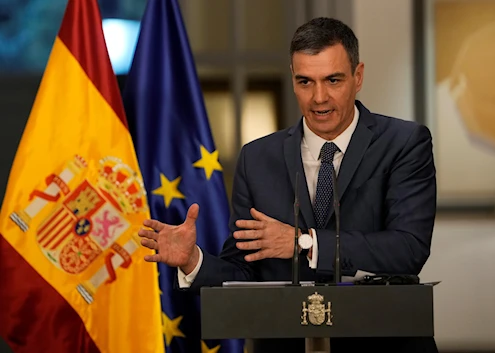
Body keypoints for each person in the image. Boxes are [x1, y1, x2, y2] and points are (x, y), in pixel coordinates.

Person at [138, 17, 438, 353]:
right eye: (305, 82)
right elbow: (243, 269)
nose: (319, 98)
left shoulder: (404, 143)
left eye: (333, 80)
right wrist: (193, 260)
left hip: (384, 344)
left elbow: (408, 249)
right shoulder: (256, 157)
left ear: (358, 77)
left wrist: (305, 243)